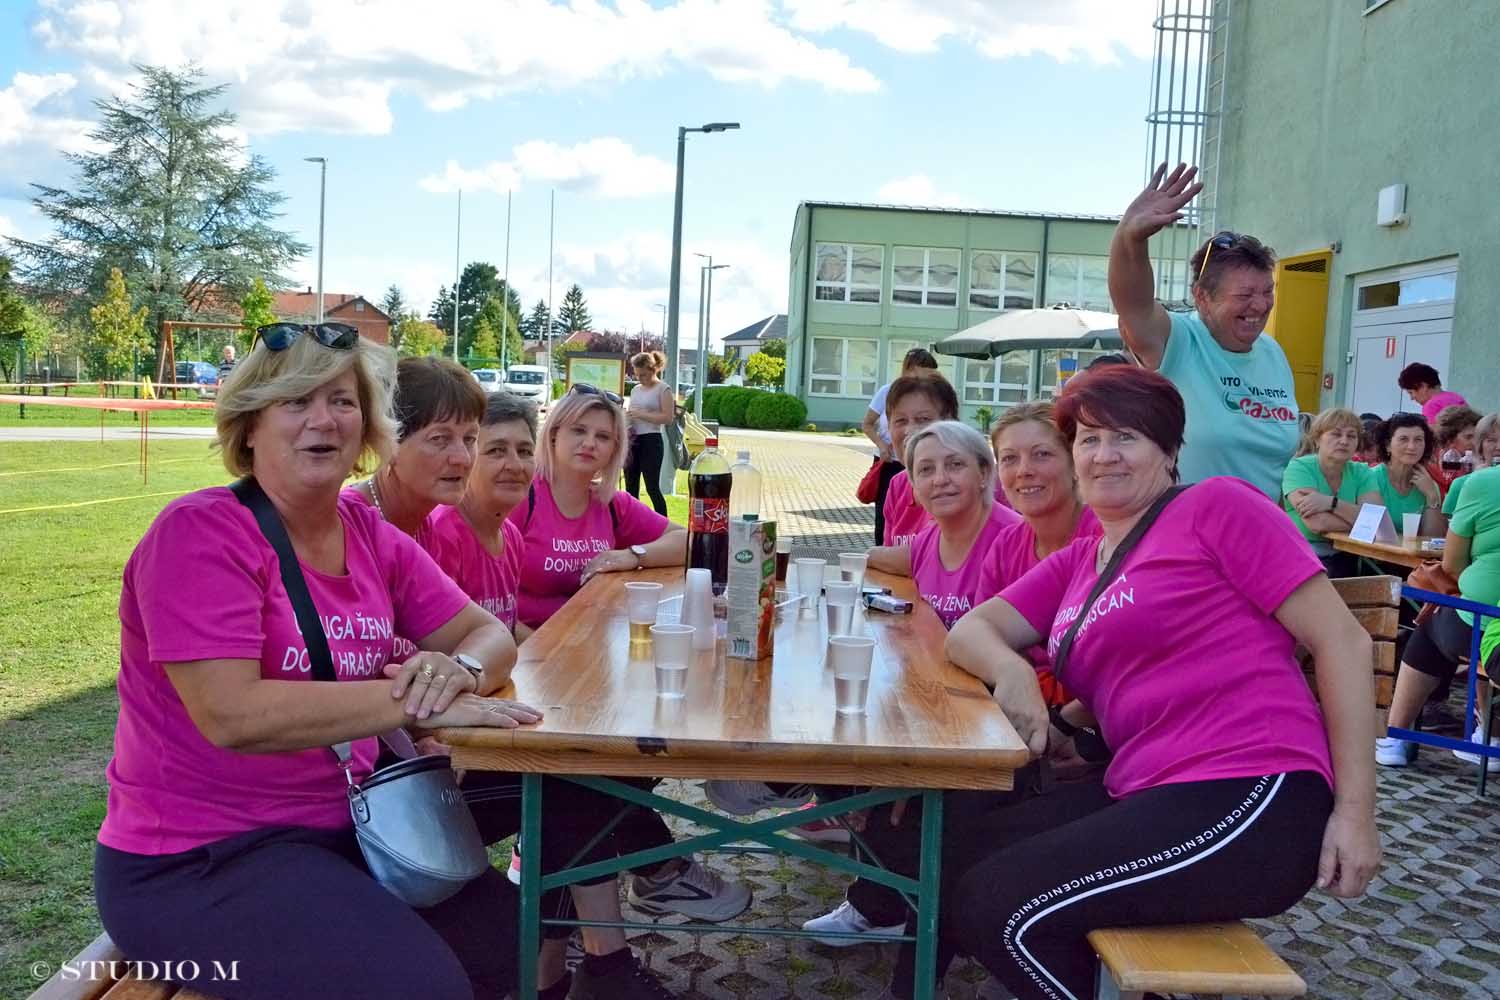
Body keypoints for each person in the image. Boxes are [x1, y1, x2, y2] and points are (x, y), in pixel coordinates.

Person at [93, 322, 544, 999]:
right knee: (419, 988)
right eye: (296, 401)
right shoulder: (199, 533)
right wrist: (415, 702)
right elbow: (233, 714)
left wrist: (461, 672)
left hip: (349, 823)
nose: (323, 419)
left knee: (507, 942)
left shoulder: (367, 532)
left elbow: (486, 633)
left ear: (367, 428)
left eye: (341, 401)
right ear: (250, 426)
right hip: (199, 860)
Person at [921, 364, 1379, 1000]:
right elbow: (971, 631)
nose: (1104, 454)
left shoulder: (1214, 506)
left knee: (1000, 908)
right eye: (1088, 439)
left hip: (1251, 787)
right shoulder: (1084, 560)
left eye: (1126, 437)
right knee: (952, 852)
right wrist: (1013, 671)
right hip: (1142, 787)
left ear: (1168, 451)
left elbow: (1343, 642)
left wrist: (1356, 813)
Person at [344, 360, 682, 998]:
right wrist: (428, 713)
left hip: (428, 753)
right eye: (446, 440)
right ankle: (607, 945)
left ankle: (580, 968)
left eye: (470, 440)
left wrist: (462, 677)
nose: (464, 457)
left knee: (576, 779)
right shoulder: (381, 526)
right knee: (576, 783)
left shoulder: (415, 532)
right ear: (386, 438)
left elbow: (489, 638)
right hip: (372, 789)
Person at [508, 384, 752, 925]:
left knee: (642, 740)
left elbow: (689, 538)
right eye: (579, 431)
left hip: (589, 669)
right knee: (600, 767)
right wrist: (537, 652)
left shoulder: (610, 505)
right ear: (553, 434)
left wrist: (631, 554)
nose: (590, 444)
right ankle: (656, 872)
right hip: (529, 666)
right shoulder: (524, 498)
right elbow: (490, 598)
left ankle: (627, 871)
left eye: (603, 436)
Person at [1108, 163, 1298, 500]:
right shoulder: (1179, 341)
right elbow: (1134, 305)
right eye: (1244, 295)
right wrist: (1130, 240)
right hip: (1188, 526)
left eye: (1267, 291)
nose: (1260, 305)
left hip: (1259, 527)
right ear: (1202, 297)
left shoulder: (1272, 353)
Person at [1377, 462, 1500, 769]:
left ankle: (1395, 733)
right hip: (1485, 623)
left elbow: (1452, 564)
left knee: (1435, 621)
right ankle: (1488, 735)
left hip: (1482, 621)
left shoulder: (1483, 483)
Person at [1280, 407, 1375, 575]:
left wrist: (1331, 503)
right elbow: (1318, 523)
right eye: (1336, 434)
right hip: (1302, 554)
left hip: (1350, 554)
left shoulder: (1362, 471)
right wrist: (1363, 522)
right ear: (1317, 439)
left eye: (1351, 436)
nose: (1344, 441)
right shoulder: (1299, 468)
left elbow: (1376, 520)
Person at [864, 347, 940, 543]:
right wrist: (882, 445)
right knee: (886, 517)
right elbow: (867, 424)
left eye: (923, 419)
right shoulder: (887, 392)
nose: (910, 429)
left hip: (920, 463)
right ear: (910, 368)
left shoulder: (934, 395)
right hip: (891, 462)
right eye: (900, 420)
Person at [1358, 413, 1443, 537]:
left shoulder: (1428, 484)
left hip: (1414, 550)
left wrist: (1432, 497)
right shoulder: (1371, 478)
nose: (1412, 447)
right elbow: (1365, 531)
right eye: (1403, 439)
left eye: (1418, 440)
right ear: (1388, 445)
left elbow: (1433, 539)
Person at [624, 350, 673, 516]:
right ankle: (633, 521)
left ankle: (663, 521)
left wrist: (641, 414)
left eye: (643, 375)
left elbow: (667, 418)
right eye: (637, 375)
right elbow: (633, 412)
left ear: (653, 370)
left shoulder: (663, 389)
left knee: (652, 486)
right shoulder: (635, 390)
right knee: (631, 485)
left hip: (651, 440)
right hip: (633, 439)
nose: (640, 378)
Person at [1443, 413, 1500, 517]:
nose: (1499, 447)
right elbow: (1448, 524)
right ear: (1480, 446)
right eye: (1491, 440)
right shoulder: (1461, 484)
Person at [1427, 403, 1481, 497]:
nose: (1475, 442)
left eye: (1478, 436)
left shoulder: (1480, 460)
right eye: (1468, 437)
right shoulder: (1434, 466)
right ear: (1450, 440)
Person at [1398, 362, 1468, 424]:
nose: (1412, 398)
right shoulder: (1455, 397)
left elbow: (1433, 434)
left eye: (1411, 392)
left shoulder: (1431, 406)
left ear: (1423, 386)